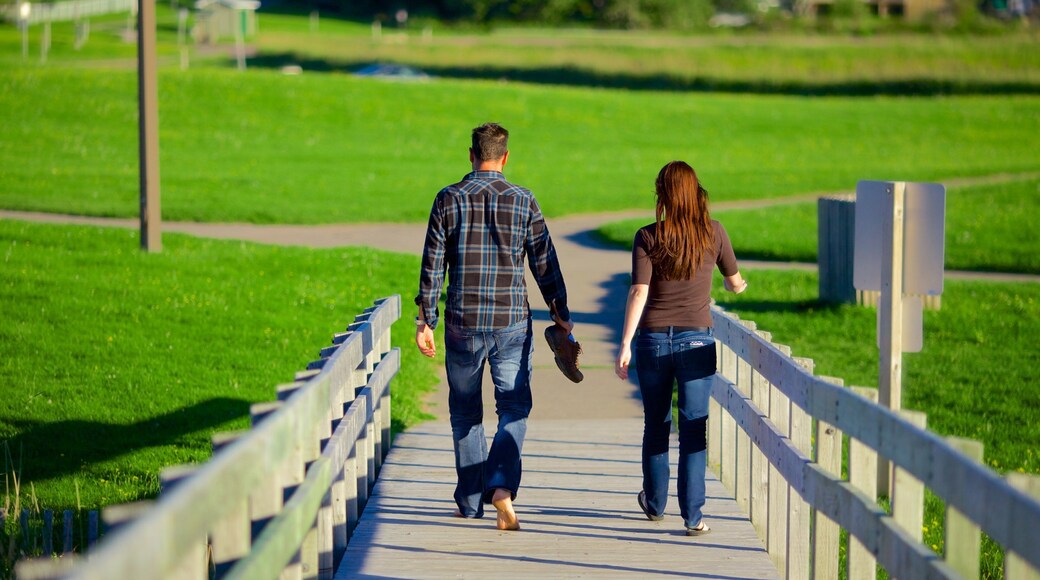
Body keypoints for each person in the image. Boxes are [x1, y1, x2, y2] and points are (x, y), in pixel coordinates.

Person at [415, 122, 574, 531]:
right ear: (505, 157)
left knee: (465, 411)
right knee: (514, 407)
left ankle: (470, 502)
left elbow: (433, 265)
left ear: (471, 154)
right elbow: (544, 262)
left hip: (462, 323)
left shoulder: (447, 199)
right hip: (510, 323)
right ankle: (501, 484)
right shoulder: (524, 200)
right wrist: (560, 310)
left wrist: (425, 320)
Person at [614, 160, 747, 536]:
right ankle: (693, 517)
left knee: (656, 425)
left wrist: (625, 342)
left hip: (654, 341)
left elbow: (639, 290)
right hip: (697, 342)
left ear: (663, 195)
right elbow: (734, 282)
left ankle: (655, 505)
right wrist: (738, 286)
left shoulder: (647, 236)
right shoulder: (714, 233)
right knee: (693, 428)